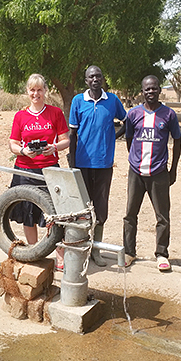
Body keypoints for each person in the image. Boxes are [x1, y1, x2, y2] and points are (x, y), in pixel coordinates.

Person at [8, 74, 69, 270]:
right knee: (28, 213)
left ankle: (60, 256)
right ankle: (34, 252)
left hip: (49, 170)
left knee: (56, 214)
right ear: (27, 92)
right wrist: (24, 151)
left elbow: (66, 140)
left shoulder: (55, 113)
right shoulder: (20, 116)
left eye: (40, 90)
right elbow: (13, 143)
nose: (36, 94)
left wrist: (54, 147)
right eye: (32, 90)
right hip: (24, 170)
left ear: (45, 91)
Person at [68, 65, 127, 266]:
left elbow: (126, 122)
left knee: (100, 206)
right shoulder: (78, 101)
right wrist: (72, 161)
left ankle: (97, 249)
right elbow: (73, 134)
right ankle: (82, 247)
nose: (95, 79)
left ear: (103, 79)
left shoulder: (112, 101)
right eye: (91, 76)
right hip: (82, 163)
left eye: (98, 76)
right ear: (86, 80)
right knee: (82, 207)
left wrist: (113, 137)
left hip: (103, 163)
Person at [122, 75, 181, 271]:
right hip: (136, 172)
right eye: (147, 89)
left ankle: (162, 254)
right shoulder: (133, 114)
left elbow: (177, 141)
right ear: (142, 91)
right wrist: (135, 160)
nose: (151, 92)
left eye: (154, 88)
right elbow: (130, 139)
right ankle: (129, 252)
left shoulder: (169, 115)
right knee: (130, 214)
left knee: (162, 216)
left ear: (159, 90)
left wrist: (173, 169)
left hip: (159, 172)